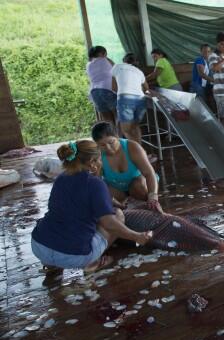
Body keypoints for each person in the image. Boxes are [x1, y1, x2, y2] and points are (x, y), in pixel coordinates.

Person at [31, 140, 152, 273]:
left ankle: (51, 265)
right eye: (100, 159)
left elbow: (75, 198)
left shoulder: (62, 178)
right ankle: (92, 263)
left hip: (39, 246)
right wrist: (137, 236)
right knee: (117, 215)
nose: (101, 162)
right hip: (74, 256)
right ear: (92, 163)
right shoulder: (95, 183)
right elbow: (109, 223)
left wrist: (109, 201)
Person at [91, 121, 162, 212]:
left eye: (111, 142)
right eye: (102, 145)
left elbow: (149, 173)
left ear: (117, 136)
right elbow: (97, 182)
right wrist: (111, 201)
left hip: (139, 185)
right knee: (103, 192)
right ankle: (125, 210)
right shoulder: (97, 155)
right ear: (97, 144)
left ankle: (147, 207)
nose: (108, 148)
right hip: (117, 189)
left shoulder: (132, 147)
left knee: (138, 184)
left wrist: (153, 198)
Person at [111, 53, 150, 145]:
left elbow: (113, 87)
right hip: (141, 99)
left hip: (125, 99)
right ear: (136, 62)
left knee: (126, 130)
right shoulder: (139, 72)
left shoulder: (117, 66)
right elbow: (146, 88)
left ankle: (137, 153)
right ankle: (140, 152)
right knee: (135, 127)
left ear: (124, 61)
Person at [86, 45, 117, 126]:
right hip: (108, 90)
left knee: (107, 120)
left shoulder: (88, 65)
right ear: (102, 53)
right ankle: (120, 137)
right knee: (117, 116)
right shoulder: (106, 60)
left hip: (94, 92)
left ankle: (112, 137)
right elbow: (117, 70)